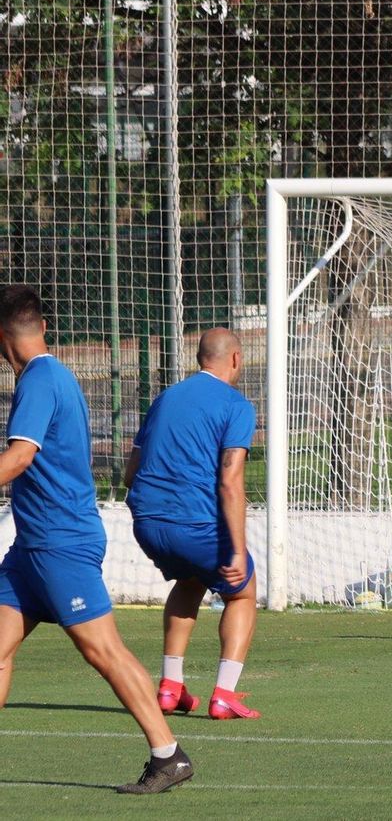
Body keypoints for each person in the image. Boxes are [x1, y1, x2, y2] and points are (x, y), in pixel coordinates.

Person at [0, 285, 194, 794]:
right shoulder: (51, 376)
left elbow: (20, 456)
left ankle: (167, 754)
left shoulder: (40, 380)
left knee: (103, 651)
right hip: (32, 549)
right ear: (42, 327)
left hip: (60, 544)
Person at [124, 327, 260, 721]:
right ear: (235, 359)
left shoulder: (164, 398)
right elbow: (230, 480)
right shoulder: (236, 405)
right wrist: (236, 547)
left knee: (189, 581)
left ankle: (170, 687)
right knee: (242, 591)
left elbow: (132, 472)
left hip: (146, 522)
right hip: (193, 524)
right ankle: (224, 695)